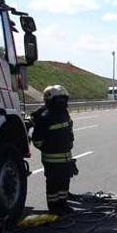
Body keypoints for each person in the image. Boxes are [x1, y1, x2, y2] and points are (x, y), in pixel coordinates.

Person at [31, 85, 76, 215]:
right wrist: (50, 148)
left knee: (64, 182)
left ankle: (63, 204)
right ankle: (54, 207)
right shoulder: (45, 118)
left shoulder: (64, 114)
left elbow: (69, 132)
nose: (63, 103)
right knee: (53, 184)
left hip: (66, 156)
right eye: (60, 100)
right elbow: (37, 140)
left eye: (64, 99)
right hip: (51, 159)